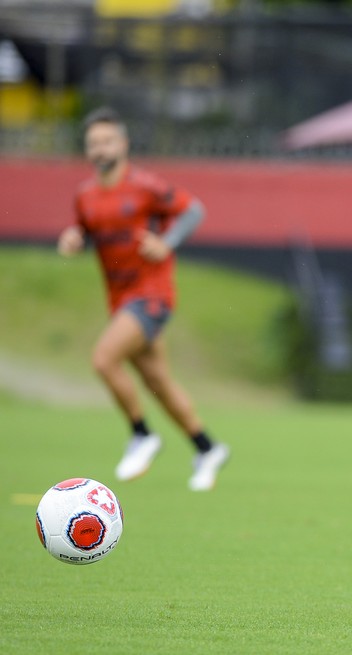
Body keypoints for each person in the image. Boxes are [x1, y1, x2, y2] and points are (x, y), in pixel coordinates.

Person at [57, 106, 230, 492]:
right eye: (93, 143)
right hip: (120, 300)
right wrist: (74, 239)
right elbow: (87, 231)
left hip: (151, 296)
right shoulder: (85, 196)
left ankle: (142, 434)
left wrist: (166, 243)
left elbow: (193, 210)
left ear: (124, 143)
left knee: (104, 359)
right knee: (157, 381)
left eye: (107, 140)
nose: (100, 149)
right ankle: (207, 447)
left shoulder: (145, 186)